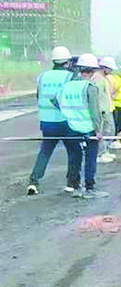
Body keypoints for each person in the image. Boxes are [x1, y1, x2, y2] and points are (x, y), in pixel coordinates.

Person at [26, 46, 82, 196]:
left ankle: (34, 181)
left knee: (45, 151)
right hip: (66, 122)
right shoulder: (70, 77)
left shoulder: (43, 77)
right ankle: (72, 183)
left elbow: (39, 97)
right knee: (74, 151)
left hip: (46, 122)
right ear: (67, 62)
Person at [56, 54, 109, 199]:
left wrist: (66, 112)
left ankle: (73, 185)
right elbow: (95, 112)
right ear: (92, 71)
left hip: (69, 128)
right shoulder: (90, 87)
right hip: (87, 128)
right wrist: (98, 131)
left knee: (74, 156)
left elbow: (55, 100)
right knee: (90, 157)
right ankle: (89, 187)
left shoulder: (67, 86)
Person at [93, 57, 118, 163]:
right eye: (110, 69)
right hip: (102, 110)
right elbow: (97, 96)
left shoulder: (103, 78)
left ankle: (105, 151)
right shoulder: (98, 79)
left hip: (107, 108)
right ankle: (100, 154)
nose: (111, 71)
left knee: (109, 130)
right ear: (104, 68)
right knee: (103, 132)